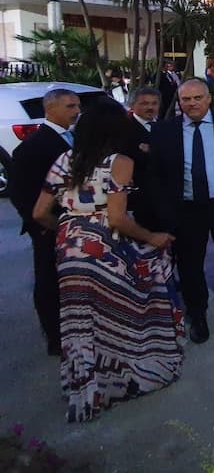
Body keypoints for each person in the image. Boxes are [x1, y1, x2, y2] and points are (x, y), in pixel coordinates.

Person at [32, 97, 182, 422]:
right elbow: (117, 218)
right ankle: (129, 376)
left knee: (81, 319)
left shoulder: (64, 159)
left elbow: (40, 213)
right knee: (123, 309)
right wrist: (152, 237)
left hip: (69, 250)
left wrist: (69, 227)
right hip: (106, 248)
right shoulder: (119, 162)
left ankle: (87, 387)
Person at [149, 78, 214, 344]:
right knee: (189, 265)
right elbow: (157, 174)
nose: (192, 103)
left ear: (208, 99)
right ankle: (197, 314)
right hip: (186, 209)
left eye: (197, 98)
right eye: (186, 99)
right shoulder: (164, 131)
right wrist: (166, 210)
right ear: (179, 102)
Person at [10, 88, 81, 356]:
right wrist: (41, 223)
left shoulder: (75, 138)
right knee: (49, 280)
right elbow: (20, 191)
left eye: (77, 106)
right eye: (70, 106)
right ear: (50, 109)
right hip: (48, 226)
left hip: (76, 224)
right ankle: (55, 336)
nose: (77, 111)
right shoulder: (33, 147)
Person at [124, 87, 162, 235]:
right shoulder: (124, 129)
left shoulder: (165, 126)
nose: (150, 107)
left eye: (154, 103)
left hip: (166, 197)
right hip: (140, 198)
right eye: (145, 103)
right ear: (133, 105)